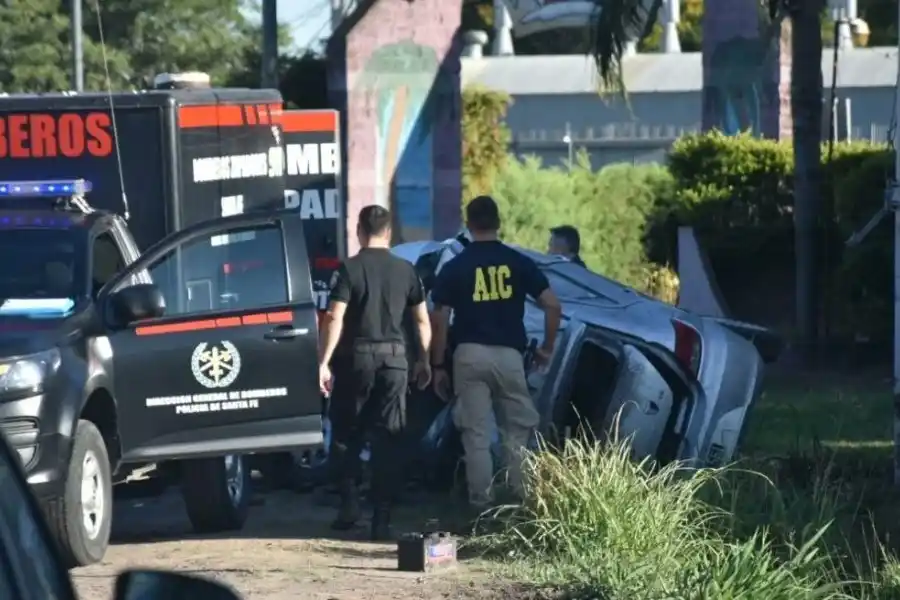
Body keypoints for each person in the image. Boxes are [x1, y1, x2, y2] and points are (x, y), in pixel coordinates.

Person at [429, 195, 562, 515]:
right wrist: (546, 347)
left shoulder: (456, 266)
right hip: (509, 356)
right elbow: (553, 305)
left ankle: (482, 507)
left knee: (475, 434)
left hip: (469, 355)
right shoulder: (517, 262)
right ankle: (520, 505)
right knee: (516, 432)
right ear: (498, 222)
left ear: (470, 224)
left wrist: (437, 365)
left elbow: (440, 317)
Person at [317, 205, 432, 540]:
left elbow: (334, 317)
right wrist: (424, 361)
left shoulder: (349, 269)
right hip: (396, 363)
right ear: (389, 234)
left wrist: (324, 361)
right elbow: (422, 321)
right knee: (389, 438)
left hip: (356, 362)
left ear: (359, 232)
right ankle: (382, 516)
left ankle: (350, 503)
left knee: (346, 433)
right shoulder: (408, 271)